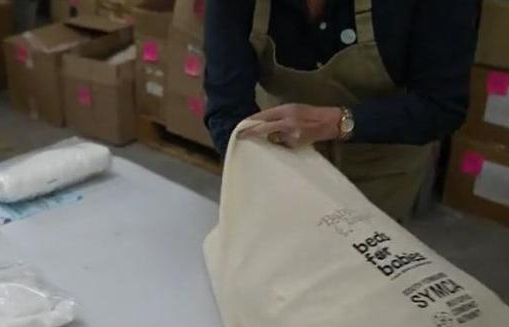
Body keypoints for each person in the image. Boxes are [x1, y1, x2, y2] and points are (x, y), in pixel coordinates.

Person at [204, 0, 479, 219]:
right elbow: (227, 106)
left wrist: (337, 123)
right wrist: (257, 175)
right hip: (278, 157)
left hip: (380, 166)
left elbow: (441, 105)